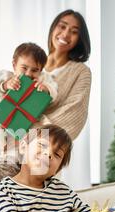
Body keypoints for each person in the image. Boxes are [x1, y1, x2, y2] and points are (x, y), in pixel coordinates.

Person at [0, 42, 58, 158]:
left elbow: (54, 91)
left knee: (40, 132)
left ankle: (24, 160)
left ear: (41, 70)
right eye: (24, 68)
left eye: (35, 70)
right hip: (2, 115)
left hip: (28, 119)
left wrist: (46, 89)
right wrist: (5, 85)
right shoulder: (6, 75)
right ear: (14, 65)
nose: (28, 73)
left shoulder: (43, 79)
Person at [36, 9, 92, 141]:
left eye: (74, 32)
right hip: (11, 142)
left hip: (45, 148)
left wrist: (32, 131)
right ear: (53, 28)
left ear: (79, 39)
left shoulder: (81, 72)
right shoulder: (32, 61)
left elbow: (75, 114)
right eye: (62, 26)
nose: (66, 34)